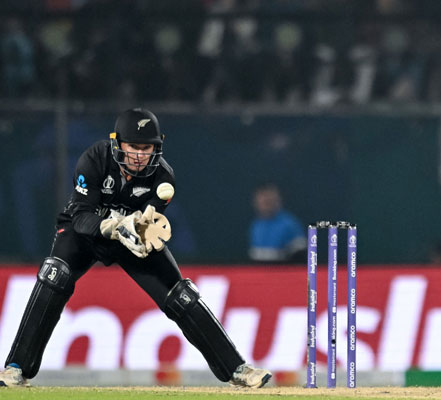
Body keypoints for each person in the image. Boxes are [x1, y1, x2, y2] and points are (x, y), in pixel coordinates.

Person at [0, 108, 271, 389]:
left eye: (147, 148)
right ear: (118, 143)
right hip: (84, 235)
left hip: (131, 241)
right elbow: (80, 217)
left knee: (182, 296)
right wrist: (115, 226)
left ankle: (237, 368)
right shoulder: (94, 159)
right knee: (54, 275)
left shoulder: (163, 178)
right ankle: (16, 367)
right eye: (134, 147)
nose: (140, 155)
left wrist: (143, 233)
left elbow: (148, 221)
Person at [248, 183, 306, 263]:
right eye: (263, 201)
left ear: (278, 200)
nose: (266, 204)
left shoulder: (289, 224)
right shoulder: (256, 226)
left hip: (283, 272)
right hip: (260, 273)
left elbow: (300, 257)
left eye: (269, 201)